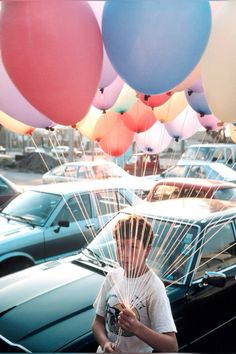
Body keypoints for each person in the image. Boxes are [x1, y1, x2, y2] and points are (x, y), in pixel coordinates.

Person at [92, 215, 178, 353]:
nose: (125, 254)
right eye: (120, 245)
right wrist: (105, 343)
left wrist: (137, 327)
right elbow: (97, 322)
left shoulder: (154, 288)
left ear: (147, 250)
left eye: (133, 246)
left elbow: (172, 347)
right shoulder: (112, 277)